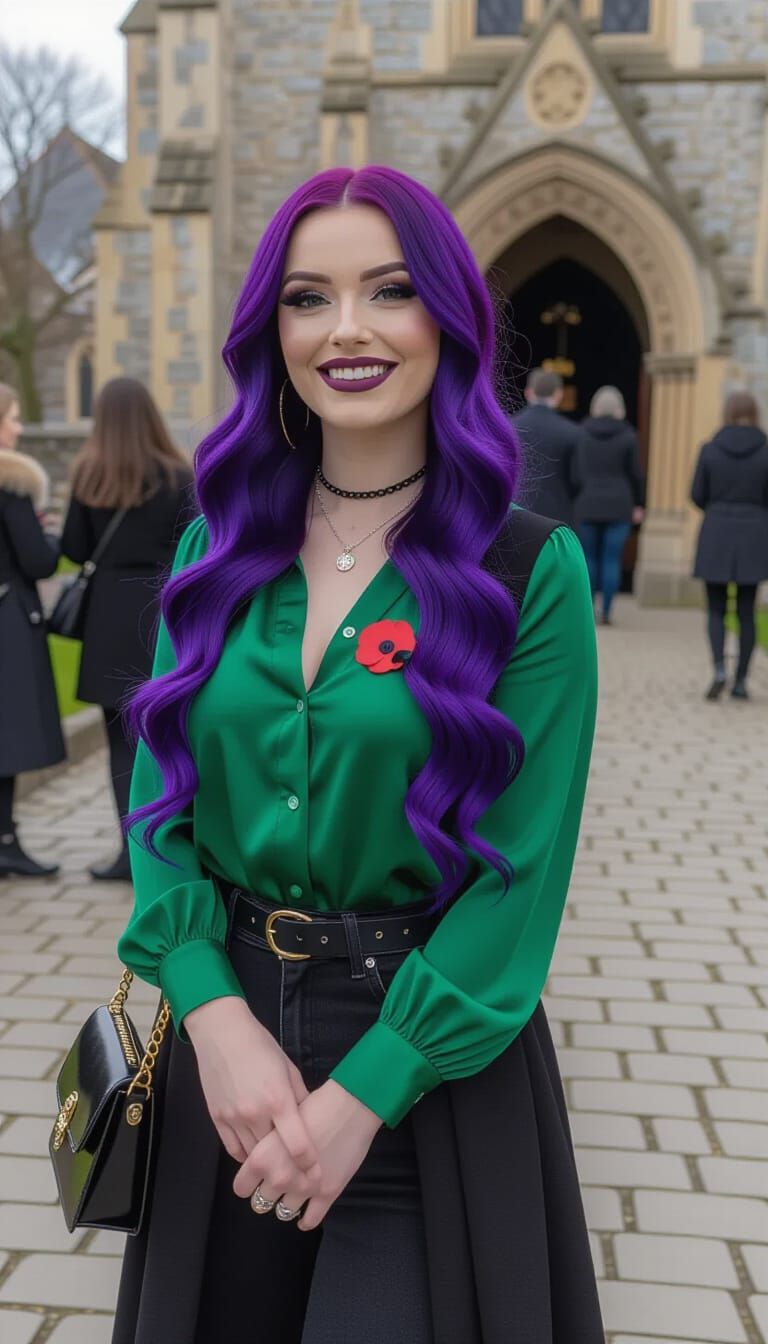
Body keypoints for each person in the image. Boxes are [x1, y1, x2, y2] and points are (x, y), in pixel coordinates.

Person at [112, 166, 603, 1344]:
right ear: (269, 330)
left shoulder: (528, 574)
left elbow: (517, 878)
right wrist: (213, 1019)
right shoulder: (215, 549)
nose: (346, 330)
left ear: (449, 317)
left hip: (429, 1073)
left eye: (388, 291)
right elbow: (157, 810)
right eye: (306, 298)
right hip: (223, 1057)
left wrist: (367, 1094)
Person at [60, 378, 195, 881]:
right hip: (161, 612)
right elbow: (198, 541)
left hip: (107, 618)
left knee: (120, 743)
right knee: (168, 738)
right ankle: (168, 844)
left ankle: (126, 854)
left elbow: (74, 548)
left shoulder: (89, 474)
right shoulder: (178, 474)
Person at [0, 383, 65, 878]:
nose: (19, 427)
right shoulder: (12, 483)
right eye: (14, 417)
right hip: (8, 624)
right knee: (9, 736)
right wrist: (47, 530)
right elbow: (40, 562)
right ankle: (7, 842)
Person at [690, 389, 768, 701]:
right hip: (754, 535)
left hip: (717, 532)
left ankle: (720, 668)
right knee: (747, 611)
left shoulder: (709, 450)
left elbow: (697, 494)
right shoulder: (766, 451)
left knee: (716, 609)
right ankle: (740, 681)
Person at [574, 384, 645, 625]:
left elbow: (577, 470)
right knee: (612, 560)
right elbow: (636, 474)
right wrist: (639, 503)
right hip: (619, 504)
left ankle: (587, 611)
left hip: (588, 502)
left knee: (589, 559)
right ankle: (606, 611)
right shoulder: (629, 436)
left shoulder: (581, 433)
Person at [511, 367, 580, 524]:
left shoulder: (509, 428)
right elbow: (577, 479)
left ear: (528, 392)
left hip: (516, 514)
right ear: (559, 394)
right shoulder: (573, 432)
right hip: (556, 517)